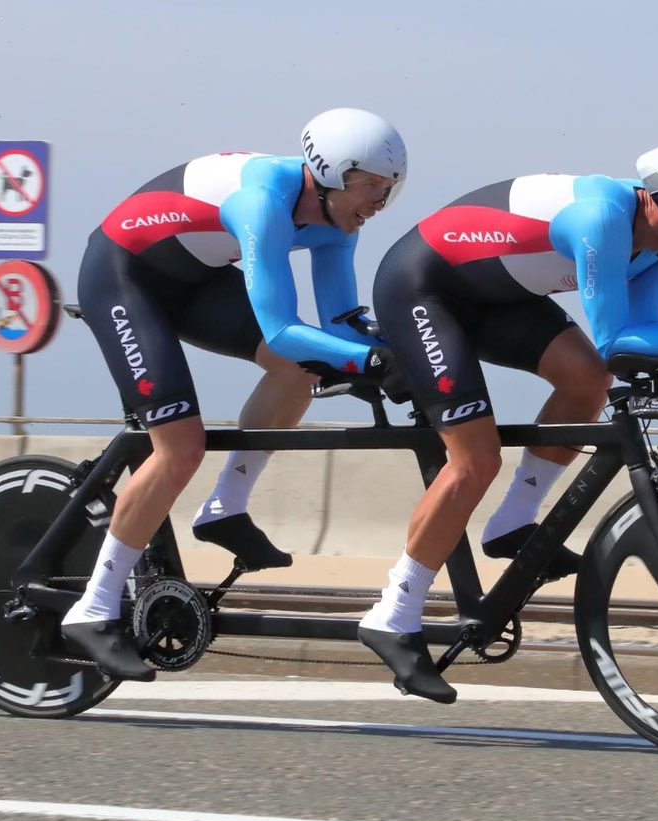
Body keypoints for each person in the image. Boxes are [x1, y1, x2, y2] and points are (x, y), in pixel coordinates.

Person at [357, 137, 658, 702]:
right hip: (423, 289)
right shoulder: (603, 217)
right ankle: (393, 613)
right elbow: (615, 337)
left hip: (496, 296)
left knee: (588, 380)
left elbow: (635, 348)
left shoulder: (655, 253)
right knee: (475, 460)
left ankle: (513, 524)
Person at [61, 108, 409, 680]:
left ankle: (225, 507)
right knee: (180, 447)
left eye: (389, 189)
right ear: (326, 175)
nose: (379, 201)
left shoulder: (337, 224)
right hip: (124, 276)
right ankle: (93, 608)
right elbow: (279, 329)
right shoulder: (261, 203)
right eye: (370, 186)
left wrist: (383, 354)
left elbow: (338, 327)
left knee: (299, 370)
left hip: (194, 279)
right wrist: (368, 361)